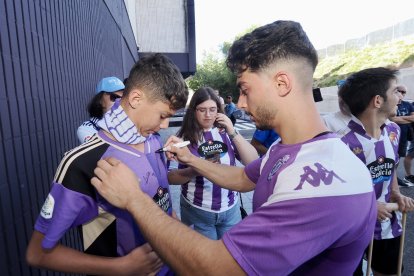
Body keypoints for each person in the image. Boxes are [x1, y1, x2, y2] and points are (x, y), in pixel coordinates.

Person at [91, 20, 377, 275]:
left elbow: (217, 268)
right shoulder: (287, 149)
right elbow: (243, 178)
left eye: (245, 89)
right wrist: (190, 157)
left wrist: (134, 199)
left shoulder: (323, 179)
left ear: (281, 83)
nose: (239, 103)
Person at [26, 54, 188, 275]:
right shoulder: (83, 162)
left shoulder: (153, 142)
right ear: (136, 99)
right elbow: (37, 253)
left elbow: (162, 198)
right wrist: (123, 267)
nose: (165, 125)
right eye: (162, 115)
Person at [336, 67, 414, 276]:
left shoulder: (394, 131)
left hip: (387, 223)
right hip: (354, 228)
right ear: (378, 101)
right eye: (395, 91)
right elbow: (338, 195)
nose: (400, 97)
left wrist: (396, 192)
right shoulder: (342, 143)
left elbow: (391, 167)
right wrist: (370, 206)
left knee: (389, 272)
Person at [168, 87, 258, 240]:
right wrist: (196, 168)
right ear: (193, 111)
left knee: (230, 257)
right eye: (202, 110)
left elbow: (253, 162)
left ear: (219, 109)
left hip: (231, 209)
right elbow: (170, 177)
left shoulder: (225, 132)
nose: (208, 115)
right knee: (203, 261)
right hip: (198, 210)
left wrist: (232, 131)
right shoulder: (182, 137)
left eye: (212, 109)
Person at [77, 76, 125, 143]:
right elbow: (104, 151)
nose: (119, 102)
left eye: (122, 99)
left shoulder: (127, 123)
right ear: (100, 100)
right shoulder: (87, 129)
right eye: (114, 97)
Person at [389, 84, 414, 187]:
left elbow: (413, 119)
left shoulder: (408, 105)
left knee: (398, 156)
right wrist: (406, 119)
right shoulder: (391, 105)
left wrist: (400, 119)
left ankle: (395, 178)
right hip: (393, 135)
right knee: (391, 156)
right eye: (400, 91)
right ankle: (391, 178)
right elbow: (392, 119)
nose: (402, 94)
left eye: (404, 92)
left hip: (404, 136)